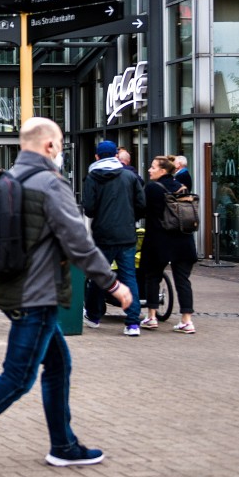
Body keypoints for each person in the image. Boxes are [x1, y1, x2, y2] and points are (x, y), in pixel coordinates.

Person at [0, 118, 134, 477]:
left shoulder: (9, 181)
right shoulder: (49, 185)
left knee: (57, 366)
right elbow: (79, 243)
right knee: (18, 376)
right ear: (50, 147)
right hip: (37, 295)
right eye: (59, 146)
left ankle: (64, 445)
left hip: (10, 288)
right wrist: (113, 285)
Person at [81, 139, 145, 336]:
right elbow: (142, 204)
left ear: (97, 157)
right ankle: (133, 323)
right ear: (116, 156)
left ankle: (94, 315)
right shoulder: (129, 176)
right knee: (129, 277)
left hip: (103, 235)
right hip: (126, 235)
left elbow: (89, 209)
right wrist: (129, 218)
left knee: (99, 276)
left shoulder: (92, 178)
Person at [139, 156, 196, 334]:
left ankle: (152, 316)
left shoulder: (152, 188)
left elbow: (141, 210)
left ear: (163, 171)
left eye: (152, 166)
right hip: (184, 240)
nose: (149, 169)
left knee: (152, 276)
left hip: (159, 240)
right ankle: (187, 320)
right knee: (183, 280)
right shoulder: (182, 187)